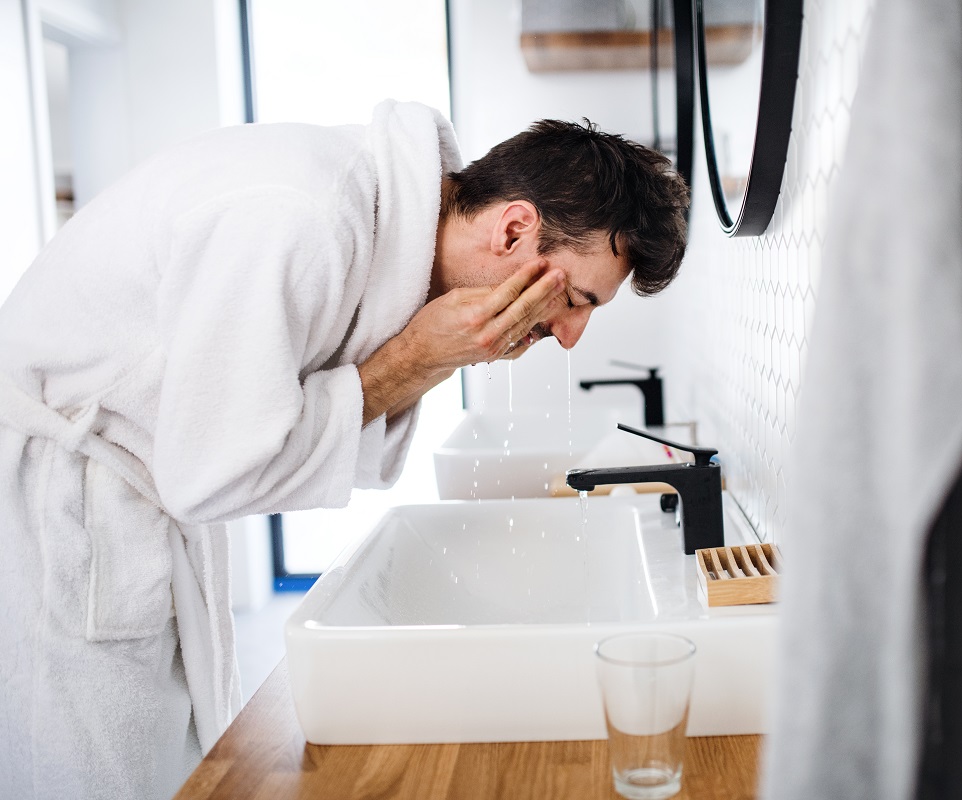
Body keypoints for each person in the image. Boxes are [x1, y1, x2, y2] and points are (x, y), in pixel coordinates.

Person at [0, 99, 689, 800]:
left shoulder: (376, 217)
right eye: (575, 299)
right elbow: (211, 471)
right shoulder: (303, 219)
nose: (571, 336)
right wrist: (417, 359)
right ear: (514, 229)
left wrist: (426, 356)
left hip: (123, 503)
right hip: (62, 510)